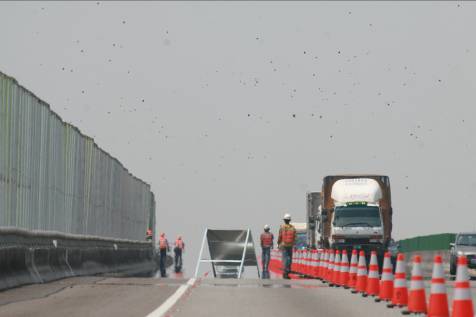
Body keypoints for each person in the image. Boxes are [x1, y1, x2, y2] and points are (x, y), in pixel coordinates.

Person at [278, 213, 296, 279]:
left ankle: (285, 272)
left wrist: (278, 243)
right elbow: (295, 237)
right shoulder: (293, 228)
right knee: (289, 258)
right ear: (289, 220)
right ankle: (288, 270)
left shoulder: (282, 227)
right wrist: (294, 243)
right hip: (290, 245)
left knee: (285, 258)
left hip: (284, 245)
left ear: (284, 220)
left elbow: (280, 236)